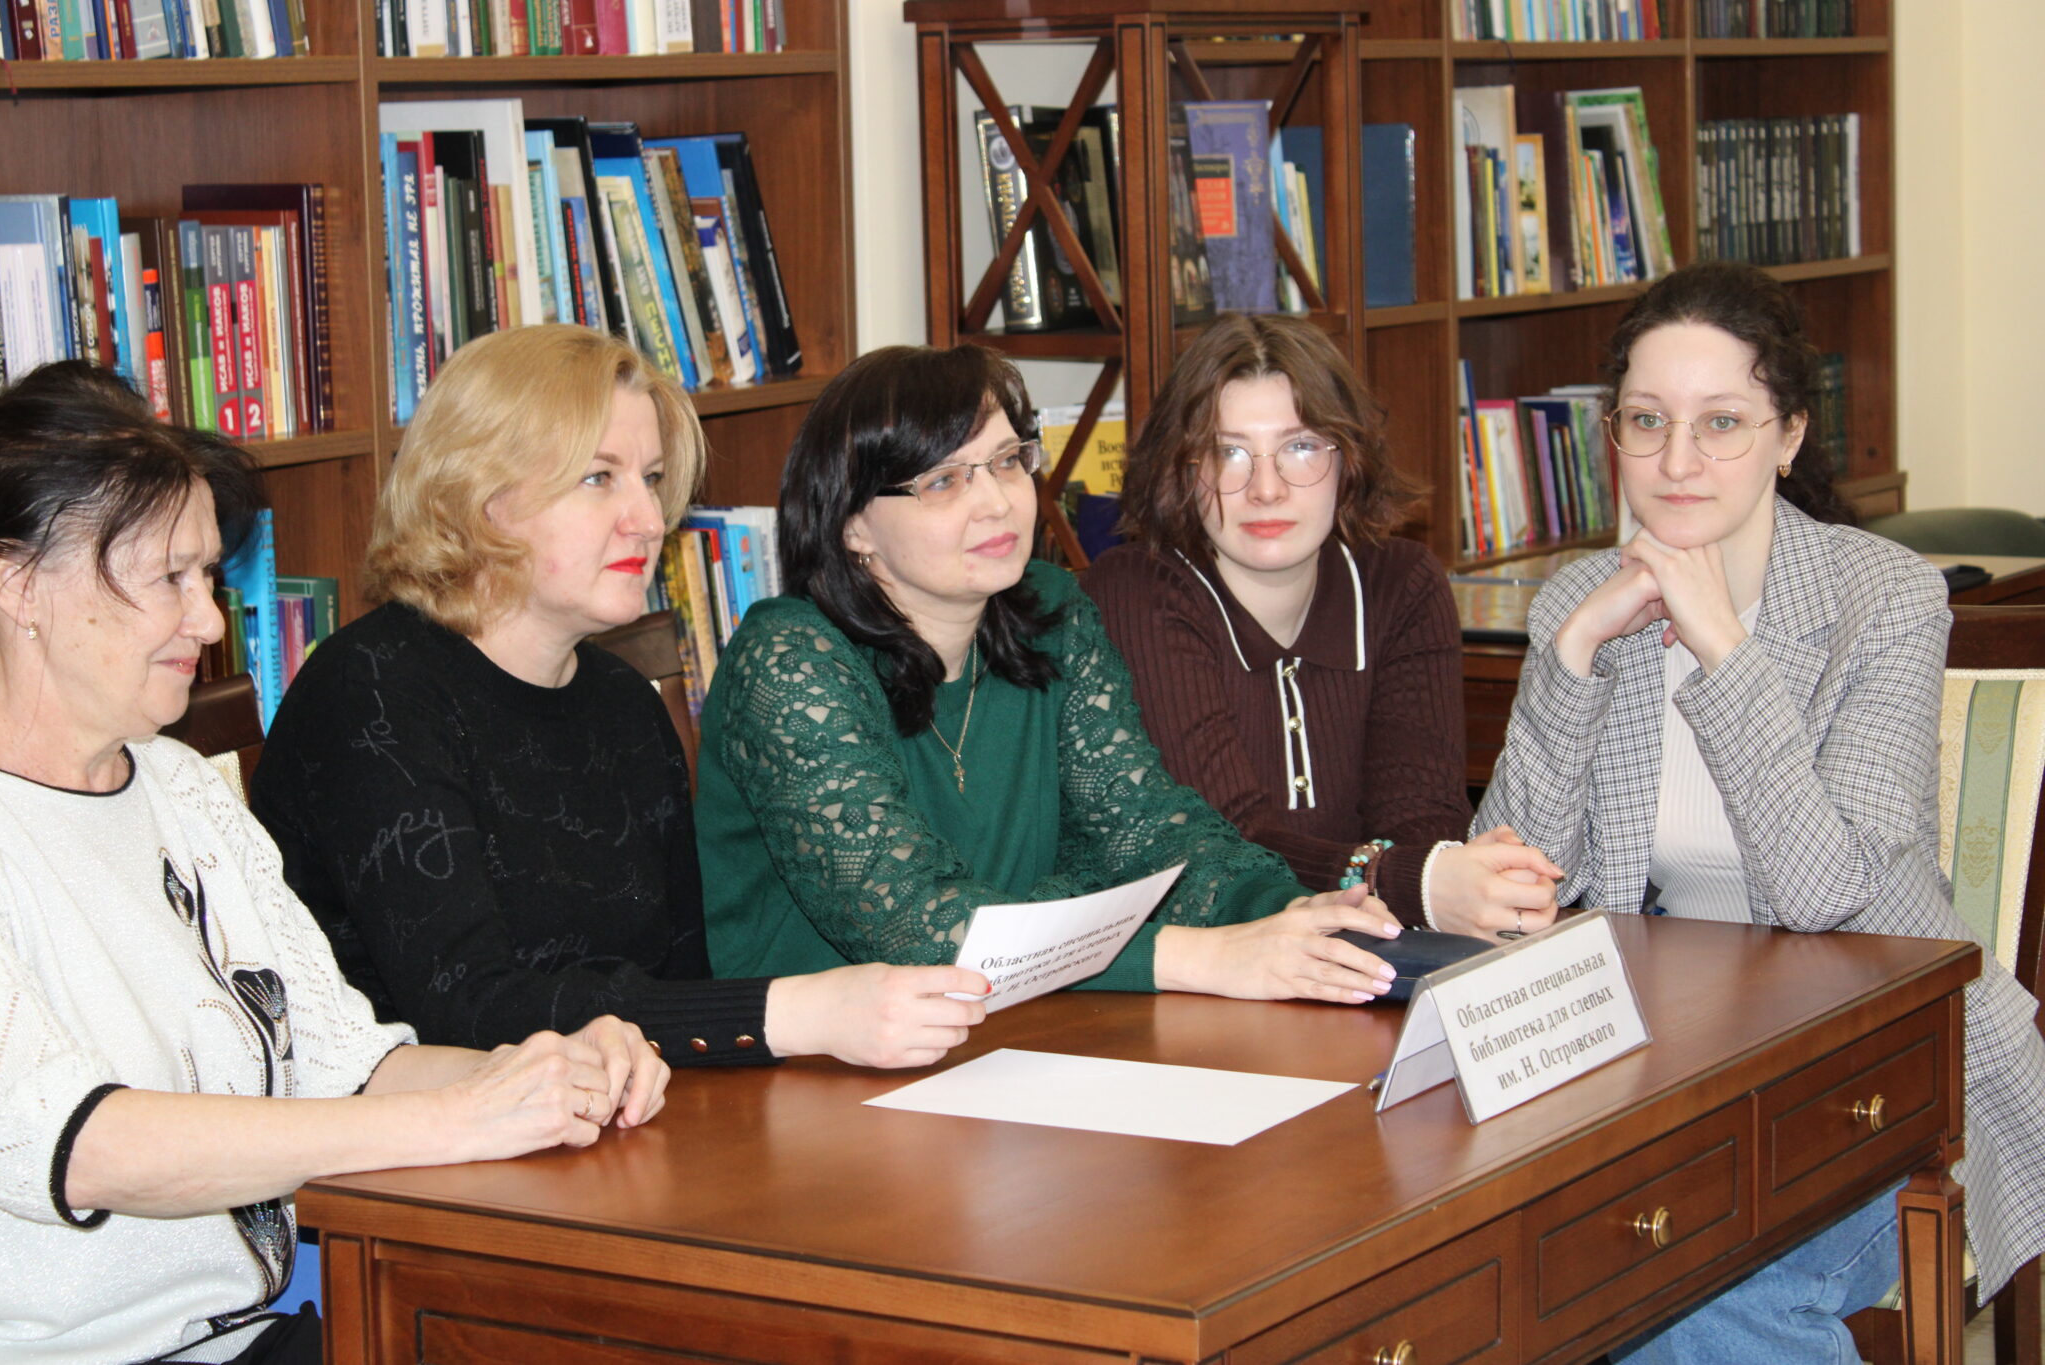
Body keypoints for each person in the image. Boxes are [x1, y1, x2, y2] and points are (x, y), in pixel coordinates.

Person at [0, 372, 670, 1364]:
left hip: (255, 1338)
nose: (209, 622)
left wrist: (549, 1068)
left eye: (207, 577)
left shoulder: (180, 788)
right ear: (17, 585)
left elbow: (349, 1065)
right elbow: (85, 1147)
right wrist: (457, 1121)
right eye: (168, 579)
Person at [1474, 260, 2045, 1363]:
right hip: (1668, 1072)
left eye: (1721, 423)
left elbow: (1827, 892)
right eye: (1647, 421)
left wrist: (1722, 648)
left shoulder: (1883, 598)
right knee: (1529, 1263)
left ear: (1787, 436)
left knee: (1687, 1291)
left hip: (1892, 1071)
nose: (1677, 461)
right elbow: (1517, 884)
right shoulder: (1579, 598)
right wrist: (1573, 657)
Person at [251, 325, 987, 1074]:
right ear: (480, 497)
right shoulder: (370, 690)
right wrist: (798, 1012)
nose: (650, 519)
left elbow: (679, 978)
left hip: (614, 1115)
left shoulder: (624, 701)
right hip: (416, 1130)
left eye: (652, 478)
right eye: (599, 478)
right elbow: (468, 1010)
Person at [697, 342, 1412, 1003]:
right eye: (943, 481)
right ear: (853, 524)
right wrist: (1206, 956)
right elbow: (917, 927)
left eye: (1008, 461)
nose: (997, 501)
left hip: (1025, 1033)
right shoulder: (789, 659)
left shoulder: (1051, 611)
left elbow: (1147, 830)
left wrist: (1292, 914)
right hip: (819, 1071)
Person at [1086, 313, 1562, 937]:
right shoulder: (1134, 590)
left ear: (1349, 459)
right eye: (1227, 452)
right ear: (1180, 469)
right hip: (1203, 964)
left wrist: (1450, 878)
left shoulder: (1401, 583)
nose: (1266, 489)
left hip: (1370, 953)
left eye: (1301, 447)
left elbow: (1421, 819)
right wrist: (1412, 880)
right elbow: (1224, 845)